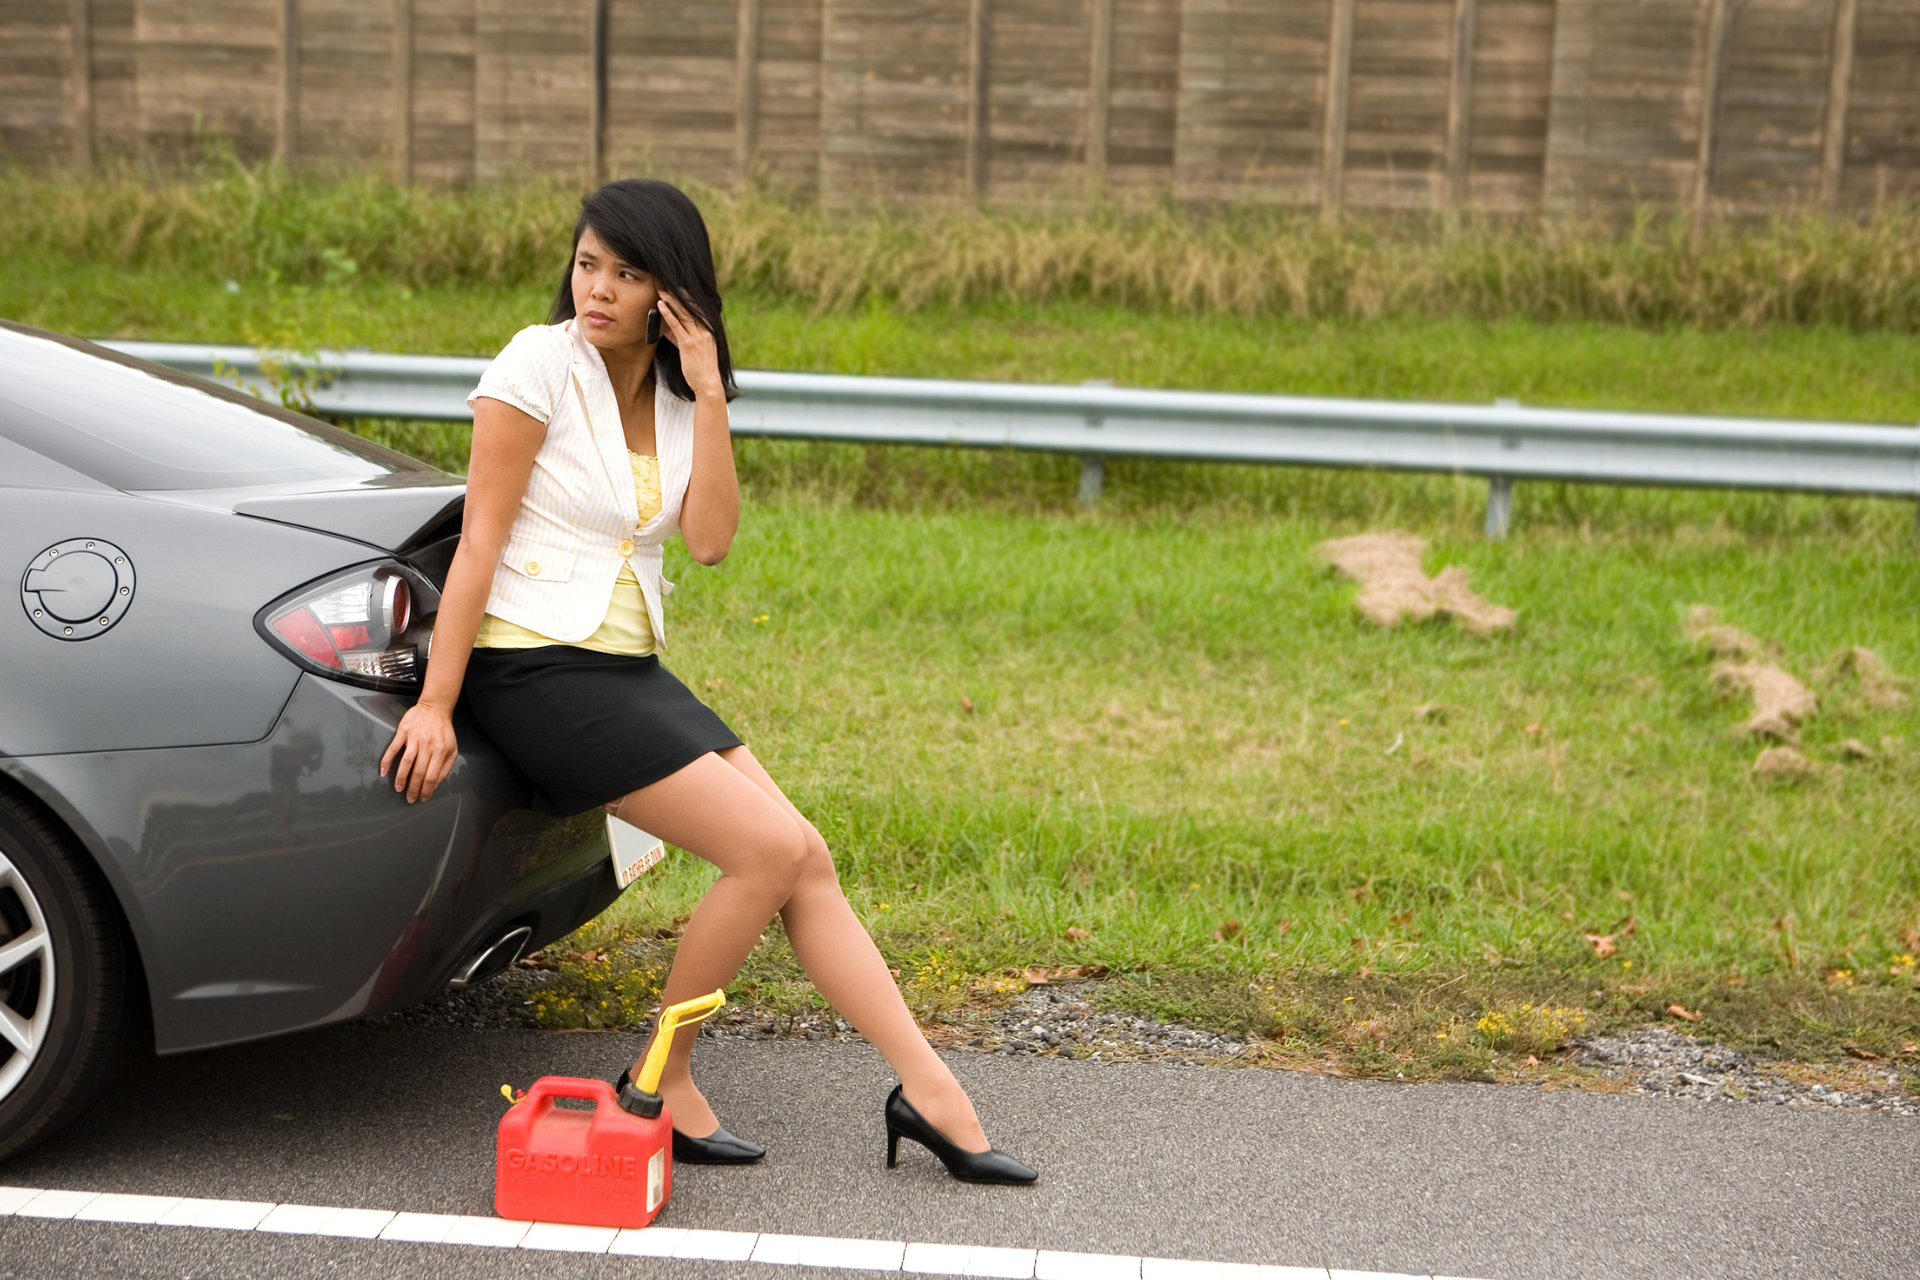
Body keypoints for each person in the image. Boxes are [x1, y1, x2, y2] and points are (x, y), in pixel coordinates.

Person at [377, 178, 1035, 1186]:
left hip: (624, 665)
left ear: (671, 293)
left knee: (804, 854)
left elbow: (712, 542)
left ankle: (929, 1089)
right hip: (533, 664)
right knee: (766, 848)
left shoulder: (683, 388)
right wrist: (435, 699)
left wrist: (713, 391)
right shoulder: (535, 364)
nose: (596, 289)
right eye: (588, 263)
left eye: (627, 272)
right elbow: (479, 542)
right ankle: (661, 1078)